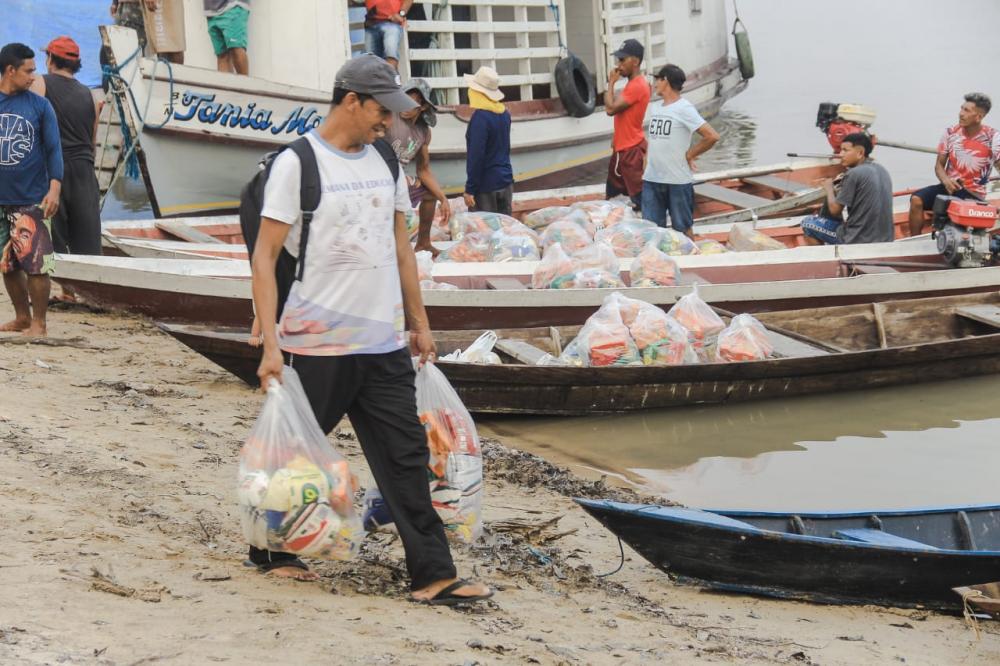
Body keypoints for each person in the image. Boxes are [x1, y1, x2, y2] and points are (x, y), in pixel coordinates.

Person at [250, 54, 491, 605]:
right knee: (298, 452)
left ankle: (433, 573)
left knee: (406, 456)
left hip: (382, 342)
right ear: (350, 101)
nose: (390, 122)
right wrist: (269, 344)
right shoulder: (298, 164)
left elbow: (401, 245)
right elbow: (264, 258)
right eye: (382, 110)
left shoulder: (384, 158)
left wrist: (419, 323)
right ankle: (270, 549)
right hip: (318, 341)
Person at [0, 43, 62, 337]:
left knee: (36, 264)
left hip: (31, 199)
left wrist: (55, 189)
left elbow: (53, 150)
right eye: (28, 71)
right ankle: (22, 317)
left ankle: (40, 323)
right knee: (7, 264)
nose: (33, 77)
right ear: (10, 71)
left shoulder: (40, 106)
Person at [30, 37, 103, 259]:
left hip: (53, 171)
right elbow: (92, 143)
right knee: (88, 240)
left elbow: (29, 127)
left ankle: (62, 290)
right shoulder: (91, 95)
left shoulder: (39, 83)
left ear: (51, 58)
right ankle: (87, 288)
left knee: (52, 238)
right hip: (84, 172)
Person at [641, 64, 719, 238]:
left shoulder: (684, 108)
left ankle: (692, 260)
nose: (654, 83)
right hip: (652, 180)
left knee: (682, 228)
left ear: (665, 80)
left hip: (676, 180)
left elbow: (711, 136)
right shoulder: (656, 108)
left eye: (657, 79)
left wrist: (690, 154)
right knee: (652, 231)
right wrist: (645, 163)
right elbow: (654, 141)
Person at [908, 93, 1000, 236]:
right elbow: (939, 165)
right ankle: (914, 243)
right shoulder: (950, 132)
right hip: (949, 188)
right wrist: (946, 181)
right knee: (916, 200)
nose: (961, 114)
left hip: (973, 194)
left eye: (967, 111)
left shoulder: (993, 137)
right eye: (961, 108)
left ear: (979, 117)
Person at [387, 78, 450, 255]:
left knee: (430, 193)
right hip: (381, 178)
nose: (405, 105)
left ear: (422, 106)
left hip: (400, 180)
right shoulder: (389, 117)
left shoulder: (423, 132)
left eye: (412, 101)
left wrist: (443, 198)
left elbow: (423, 170)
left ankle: (423, 242)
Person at [801, 133, 893, 245]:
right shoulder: (882, 169)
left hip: (857, 239)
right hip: (886, 238)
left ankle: (827, 259)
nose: (840, 154)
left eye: (845, 150)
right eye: (840, 150)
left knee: (808, 223)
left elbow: (835, 211)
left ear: (860, 153)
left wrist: (829, 188)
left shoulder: (853, 173)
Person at [604, 39, 651, 211]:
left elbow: (610, 109)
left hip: (631, 152)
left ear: (636, 62)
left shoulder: (637, 86)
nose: (619, 65)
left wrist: (610, 83)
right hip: (622, 150)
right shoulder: (632, 84)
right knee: (612, 199)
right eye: (618, 60)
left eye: (623, 60)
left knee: (641, 200)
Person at [463, 66, 513, 215]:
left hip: (486, 187)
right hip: (506, 181)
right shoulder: (504, 113)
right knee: (504, 232)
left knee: (484, 234)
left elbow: (476, 156)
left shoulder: (480, 118)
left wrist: (470, 189)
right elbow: (505, 148)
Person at [110, 0, 184, 64]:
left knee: (169, 56)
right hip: (127, 9)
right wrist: (115, 2)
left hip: (150, 8)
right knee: (121, 57)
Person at [204, 0, 250, 75]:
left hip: (233, 6)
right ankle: (225, 86)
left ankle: (246, 85)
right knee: (222, 55)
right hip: (211, 11)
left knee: (236, 49)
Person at [364, 0, 413, 71]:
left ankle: (390, 80)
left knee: (390, 54)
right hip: (371, 23)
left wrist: (401, 14)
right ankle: (383, 80)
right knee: (371, 61)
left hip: (391, 22)